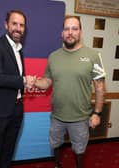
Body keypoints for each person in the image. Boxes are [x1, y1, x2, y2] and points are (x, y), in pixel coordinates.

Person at [34, 16, 106, 168]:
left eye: (74, 28)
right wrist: (32, 81)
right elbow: (46, 82)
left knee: (79, 149)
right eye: (67, 29)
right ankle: (57, 165)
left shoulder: (94, 56)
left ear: (80, 32)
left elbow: (100, 87)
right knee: (55, 144)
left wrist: (97, 113)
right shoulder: (53, 56)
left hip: (80, 117)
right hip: (57, 116)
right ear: (62, 33)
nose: (70, 32)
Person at [0, 10, 33, 168]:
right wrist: (24, 80)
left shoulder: (19, 50)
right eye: (14, 24)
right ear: (6, 25)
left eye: (21, 25)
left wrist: (25, 83)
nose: (18, 28)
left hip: (16, 109)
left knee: (8, 151)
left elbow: (14, 79)